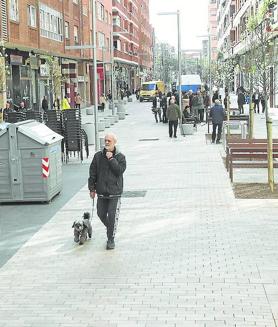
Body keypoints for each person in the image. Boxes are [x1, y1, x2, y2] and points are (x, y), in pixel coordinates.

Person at [88, 133, 126, 250]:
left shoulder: (120, 157)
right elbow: (92, 173)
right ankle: (111, 228)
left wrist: (111, 159)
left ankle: (110, 239)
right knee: (100, 213)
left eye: (109, 141)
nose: (107, 142)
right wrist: (92, 189)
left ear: (114, 142)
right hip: (101, 193)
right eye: (105, 140)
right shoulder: (98, 156)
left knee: (112, 215)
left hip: (115, 193)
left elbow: (119, 171)